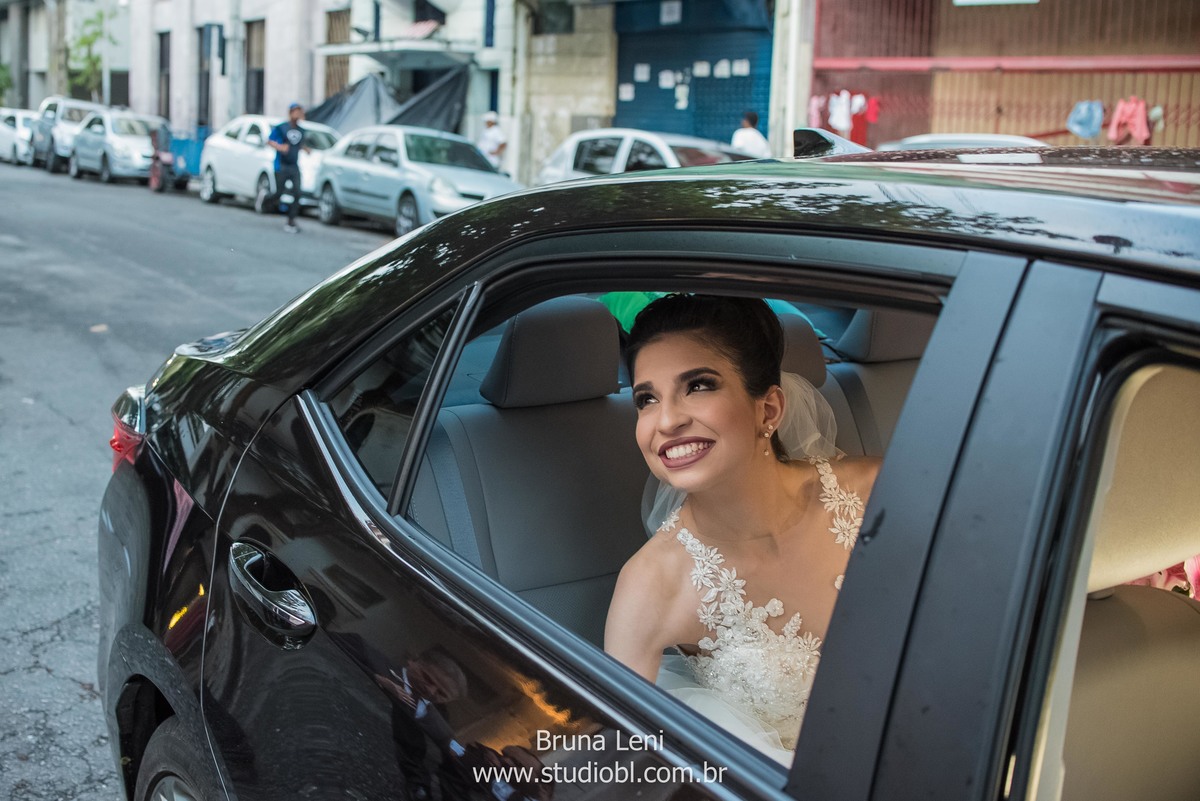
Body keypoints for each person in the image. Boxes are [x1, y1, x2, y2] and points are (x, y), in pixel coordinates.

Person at [604, 293, 880, 764]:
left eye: (699, 386)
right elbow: (621, 757)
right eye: (646, 399)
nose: (666, 420)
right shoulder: (651, 586)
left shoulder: (875, 493)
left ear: (768, 411)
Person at [268, 102, 310, 233]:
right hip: (281, 165)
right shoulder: (282, 127)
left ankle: (291, 220)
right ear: (291, 112)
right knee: (279, 193)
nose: (298, 114)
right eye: (296, 111)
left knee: (297, 192)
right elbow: (269, 140)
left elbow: (298, 144)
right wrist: (280, 147)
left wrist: (306, 149)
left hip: (294, 166)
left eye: (300, 111)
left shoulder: (301, 131)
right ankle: (264, 200)